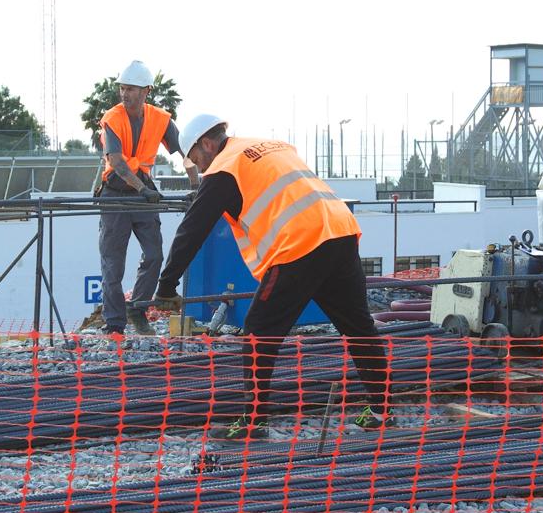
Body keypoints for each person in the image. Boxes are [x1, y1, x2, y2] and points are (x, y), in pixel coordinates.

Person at [153, 114, 391, 439]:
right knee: (358, 326)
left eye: (196, 159)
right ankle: (382, 410)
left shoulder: (224, 167)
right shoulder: (269, 146)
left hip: (299, 244)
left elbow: (192, 229)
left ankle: (254, 423)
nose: (200, 167)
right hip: (339, 231)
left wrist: (166, 285)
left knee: (258, 331)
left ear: (206, 144)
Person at [95, 60, 187, 336]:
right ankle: (114, 324)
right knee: (113, 263)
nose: (125, 94)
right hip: (115, 192)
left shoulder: (160, 118)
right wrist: (144, 190)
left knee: (155, 255)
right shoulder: (112, 118)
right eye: (122, 88)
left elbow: (186, 151)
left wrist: (197, 181)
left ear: (146, 91)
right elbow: (118, 163)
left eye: (131, 89)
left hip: (142, 188)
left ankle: (138, 308)